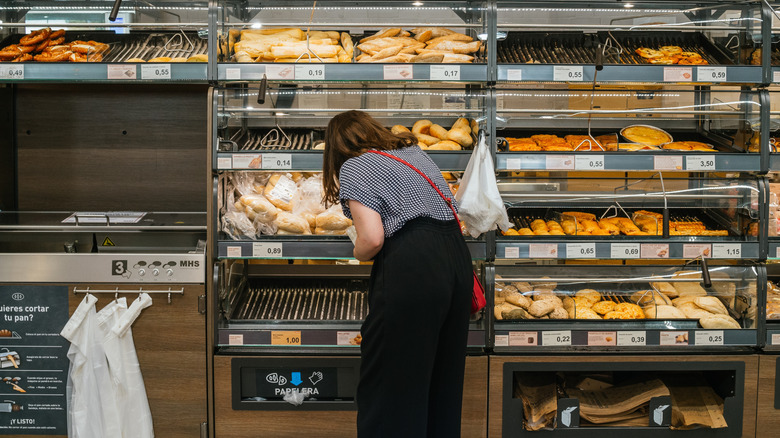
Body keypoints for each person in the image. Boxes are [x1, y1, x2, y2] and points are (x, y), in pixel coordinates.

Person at [322, 110, 472, 438]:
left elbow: (372, 239)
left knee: (392, 385)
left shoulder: (355, 166)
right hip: (456, 258)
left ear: (337, 147)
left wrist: (357, 252)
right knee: (441, 382)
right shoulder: (414, 153)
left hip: (414, 265)